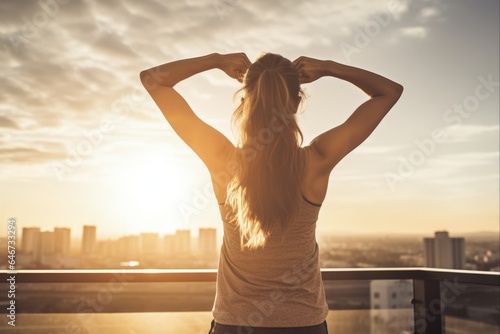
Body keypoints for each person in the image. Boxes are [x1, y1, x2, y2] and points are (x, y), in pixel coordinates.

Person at [140, 52, 403, 334]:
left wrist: (216, 61)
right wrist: (329, 68)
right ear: (297, 103)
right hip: (303, 325)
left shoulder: (222, 160)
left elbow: (154, 81)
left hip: (235, 324)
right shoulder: (318, 160)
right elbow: (388, 92)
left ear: (245, 102)